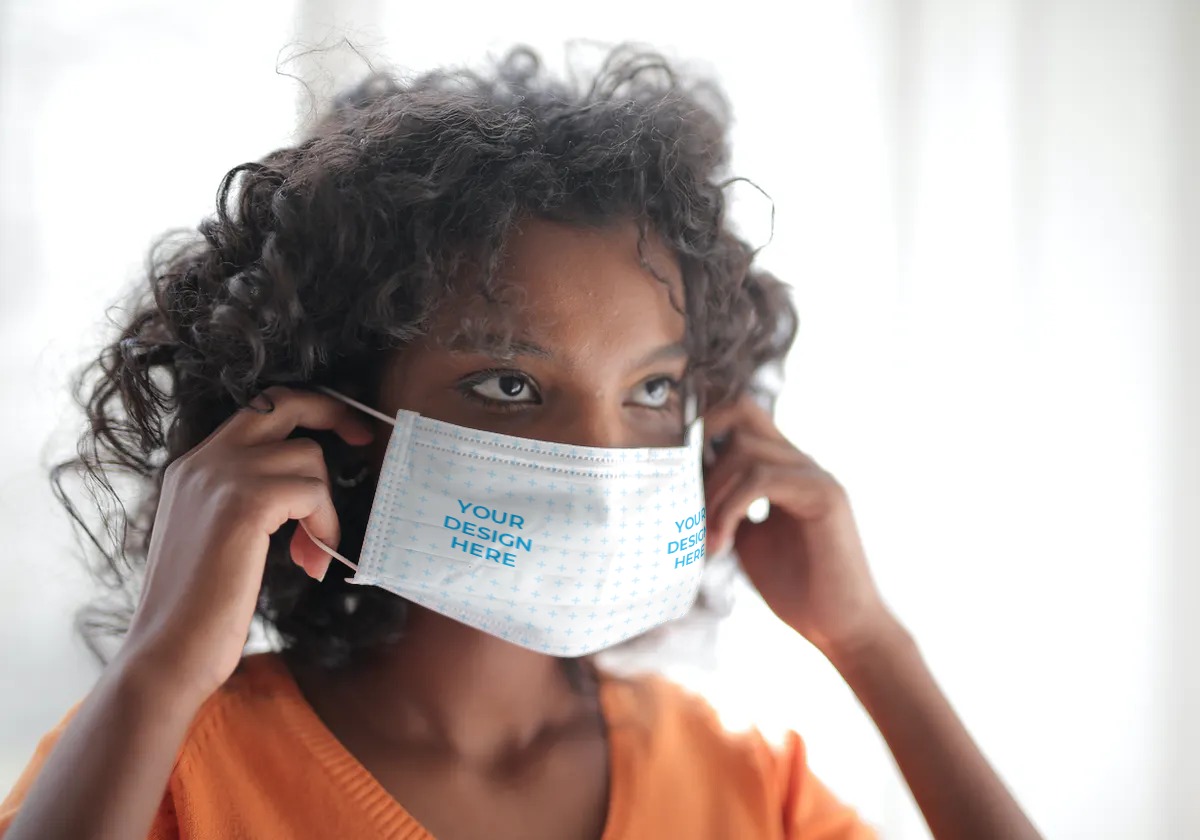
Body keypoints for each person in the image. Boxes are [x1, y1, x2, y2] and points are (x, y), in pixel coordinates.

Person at [0, 46, 1042, 840]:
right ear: (333, 414)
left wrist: (870, 645)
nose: (604, 461)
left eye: (652, 389)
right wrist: (159, 669)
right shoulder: (164, 768)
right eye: (511, 385)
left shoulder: (747, 789)